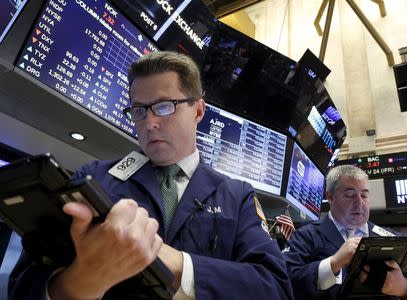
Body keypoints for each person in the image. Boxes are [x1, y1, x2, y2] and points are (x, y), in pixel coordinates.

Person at [9, 51, 293, 299]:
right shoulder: (95, 178)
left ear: (198, 110)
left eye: (164, 106)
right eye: (139, 110)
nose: (150, 122)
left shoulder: (236, 195)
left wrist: (177, 263)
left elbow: (274, 288)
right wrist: (81, 283)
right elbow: (24, 284)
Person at [284, 164, 407, 300]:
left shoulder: (393, 239)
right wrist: (333, 263)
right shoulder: (306, 236)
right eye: (350, 195)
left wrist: (405, 288)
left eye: (364, 195)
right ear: (330, 197)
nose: (359, 203)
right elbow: (285, 281)